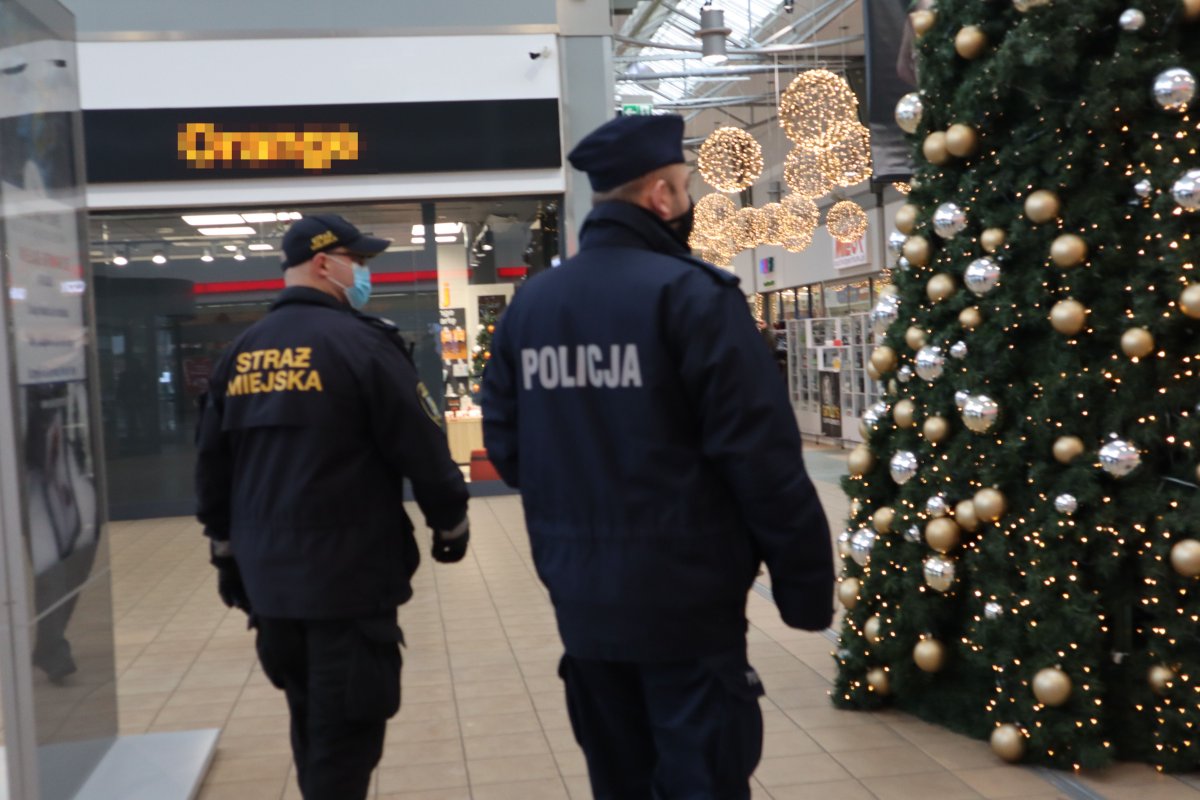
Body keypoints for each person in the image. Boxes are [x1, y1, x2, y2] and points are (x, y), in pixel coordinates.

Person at [480, 114, 834, 800]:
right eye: (684, 186)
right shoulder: (693, 297)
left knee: (618, 777)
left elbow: (506, 442)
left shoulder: (533, 306)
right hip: (688, 603)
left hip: (580, 596)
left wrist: (576, 504)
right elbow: (760, 457)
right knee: (702, 776)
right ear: (661, 198)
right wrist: (804, 586)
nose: (690, 202)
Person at [194, 214, 470, 800]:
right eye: (359, 261)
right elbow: (423, 447)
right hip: (347, 581)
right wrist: (450, 523)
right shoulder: (363, 345)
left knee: (310, 723)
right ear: (325, 263)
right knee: (346, 742)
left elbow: (212, 470)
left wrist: (226, 554)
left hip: (270, 586)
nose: (364, 272)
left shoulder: (239, 354)